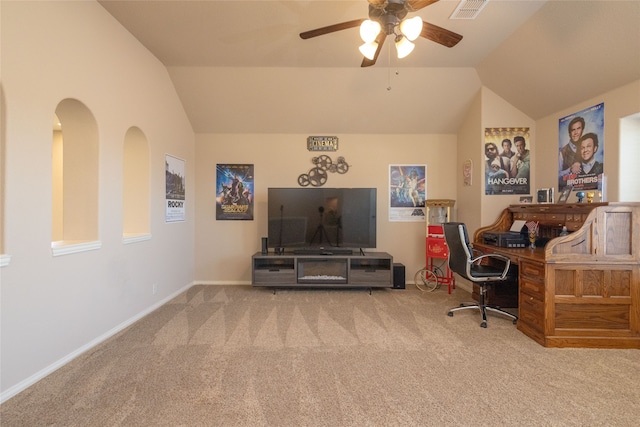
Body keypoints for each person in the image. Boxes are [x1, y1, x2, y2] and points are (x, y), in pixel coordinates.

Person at [559, 116, 584, 184]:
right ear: (569, 133)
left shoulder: (586, 148)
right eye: (573, 130)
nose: (576, 132)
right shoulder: (562, 152)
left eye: (578, 128)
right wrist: (570, 169)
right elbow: (558, 175)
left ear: (582, 130)